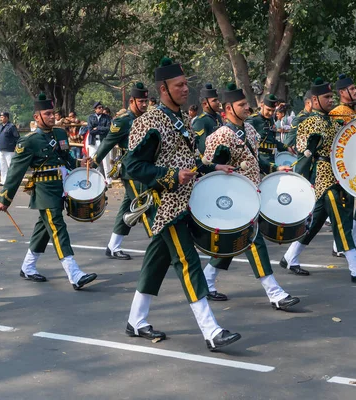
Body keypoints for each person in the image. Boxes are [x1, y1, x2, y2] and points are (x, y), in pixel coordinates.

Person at [123, 57, 240, 351]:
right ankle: (211, 330)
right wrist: (171, 176)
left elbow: (186, 162)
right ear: (164, 88)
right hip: (164, 204)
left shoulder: (182, 119)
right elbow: (133, 167)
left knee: (156, 262)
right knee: (188, 262)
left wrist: (212, 168)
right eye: (180, 85)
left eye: (186, 83)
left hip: (183, 200)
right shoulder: (148, 122)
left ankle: (135, 320)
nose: (186, 88)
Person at [201, 83, 300, 310]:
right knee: (254, 241)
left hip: (252, 194)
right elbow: (208, 168)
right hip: (234, 200)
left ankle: (206, 281)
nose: (247, 107)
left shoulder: (250, 130)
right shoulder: (220, 135)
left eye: (246, 103)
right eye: (242, 104)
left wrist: (275, 168)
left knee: (232, 244)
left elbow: (257, 161)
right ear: (228, 108)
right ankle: (274, 292)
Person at [280, 78, 356, 284]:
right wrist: (300, 180)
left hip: (337, 174)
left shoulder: (330, 120)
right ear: (315, 99)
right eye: (327, 97)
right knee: (341, 220)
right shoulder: (311, 122)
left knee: (317, 221)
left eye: (331, 96)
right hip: (323, 176)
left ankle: (289, 257)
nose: (331, 100)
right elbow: (303, 152)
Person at [0, 93, 97, 289]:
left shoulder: (59, 134)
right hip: (43, 189)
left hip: (61, 187)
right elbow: (15, 171)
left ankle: (28, 266)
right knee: (58, 228)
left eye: (53, 113)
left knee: (43, 229)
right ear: (37, 117)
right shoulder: (29, 141)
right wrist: (4, 198)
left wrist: (80, 163)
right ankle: (74, 273)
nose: (52, 117)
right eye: (47, 113)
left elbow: (65, 158)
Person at [93, 82, 152, 260]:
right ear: (132, 101)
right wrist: (94, 162)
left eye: (146, 101)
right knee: (146, 207)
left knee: (127, 208)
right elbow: (108, 142)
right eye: (141, 101)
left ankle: (113, 246)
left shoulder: (148, 118)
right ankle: (164, 248)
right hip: (132, 171)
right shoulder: (123, 120)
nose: (144, 104)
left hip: (145, 168)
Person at [328, 74, 356, 257]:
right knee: (344, 208)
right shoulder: (336, 112)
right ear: (342, 92)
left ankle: (351, 239)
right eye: (352, 89)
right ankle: (340, 245)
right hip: (345, 168)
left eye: (355, 88)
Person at [246, 94, 291, 174]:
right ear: (262, 105)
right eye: (268, 110)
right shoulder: (253, 120)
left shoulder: (270, 120)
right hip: (260, 160)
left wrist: (287, 148)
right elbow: (249, 145)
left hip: (271, 157)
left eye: (273, 111)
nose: (271, 113)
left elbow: (272, 141)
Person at [191, 83, 223, 153]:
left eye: (217, 100)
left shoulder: (218, 117)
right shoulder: (200, 121)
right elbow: (203, 148)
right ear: (205, 104)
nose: (218, 102)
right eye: (214, 100)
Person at [87, 101, 112, 183]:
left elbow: (108, 129)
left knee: (106, 161)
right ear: (95, 109)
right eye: (99, 108)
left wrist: (97, 128)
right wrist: (101, 129)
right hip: (93, 141)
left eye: (102, 107)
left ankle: (108, 180)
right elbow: (90, 131)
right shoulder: (91, 117)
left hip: (103, 141)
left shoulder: (107, 117)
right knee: (92, 160)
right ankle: (94, 179)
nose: (101, 109)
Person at [0, 111, 20, 186]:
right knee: (3, 166)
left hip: (9, 149)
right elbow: (0, 137)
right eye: (0, 117)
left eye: (2, 117)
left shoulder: (11, 126)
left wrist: (16, 146)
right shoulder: (0, 126)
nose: (1, 118)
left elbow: (17, 137)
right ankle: (3, 181)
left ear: (6, 117)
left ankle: (13, 181)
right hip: (2, 148)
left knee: (11, 166)